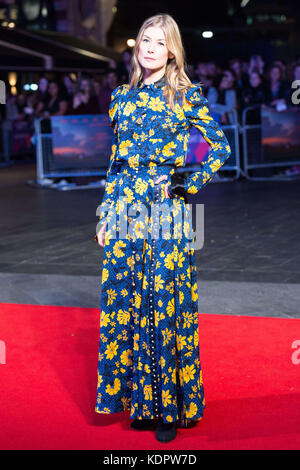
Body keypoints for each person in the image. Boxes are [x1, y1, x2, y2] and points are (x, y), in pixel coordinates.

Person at [94, 13, 231, 443]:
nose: (149, 48)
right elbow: (114, 163)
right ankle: (140, 402)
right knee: (128, 301)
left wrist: (184, 181)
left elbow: (219, 147)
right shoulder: (120, 97)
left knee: (164, 302)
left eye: (159, 42)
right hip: (123, 210)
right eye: (145, 41)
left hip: (166, 209)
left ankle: (170, 406)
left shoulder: (186, 95)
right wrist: (104, 213)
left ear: (172, 50)